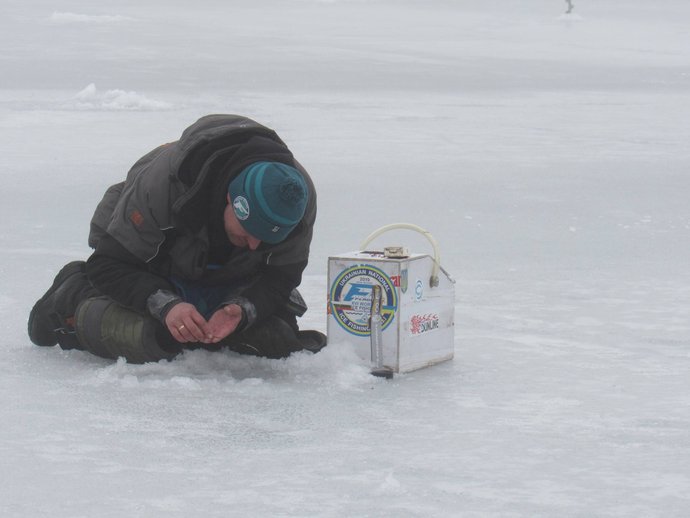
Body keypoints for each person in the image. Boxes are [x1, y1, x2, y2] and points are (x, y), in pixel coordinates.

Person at [28, 114, 327, 363]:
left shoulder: (294, 199)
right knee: (148, 339)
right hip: (148, 265)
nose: (254, 246)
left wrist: (242, 309)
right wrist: (167, 306)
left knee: (275, 342)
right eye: (248, 232)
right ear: (230, 199)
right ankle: (72, 295)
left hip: (228, 277)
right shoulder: (163, 186)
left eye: (266, 240)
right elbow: (108, 264)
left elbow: (282, 276)